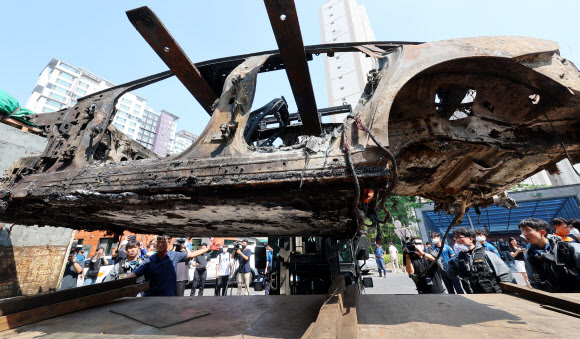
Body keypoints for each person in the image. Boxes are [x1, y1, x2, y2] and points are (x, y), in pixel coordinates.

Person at [127, 235, 210, 296]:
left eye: (163, 242)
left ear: (168, 244)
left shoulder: (174, 255)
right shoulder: (149, 260)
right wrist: (118, 283)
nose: (160, 244)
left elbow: (191, 254)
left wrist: (209, 248)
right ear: (155, 244)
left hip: (169, 298)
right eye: (158, 242)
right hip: (151, 298)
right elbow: (134, 274)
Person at [440, 227, 514, 293]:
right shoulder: (457, 259)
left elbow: (505, 275)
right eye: (456, 238)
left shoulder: (487, 255)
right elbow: (451, 274)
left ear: (470, 238)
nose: (457, 241)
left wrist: (509, 294)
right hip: (474, 298)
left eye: (459, 237)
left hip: (494, 295)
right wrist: (438, 260)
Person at [519, 218, 580, 292]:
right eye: (522, 230)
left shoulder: (569, 248)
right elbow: (533, 280)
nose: (524, 234)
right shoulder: (529, 254)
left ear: (542, 232)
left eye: (527, 230)